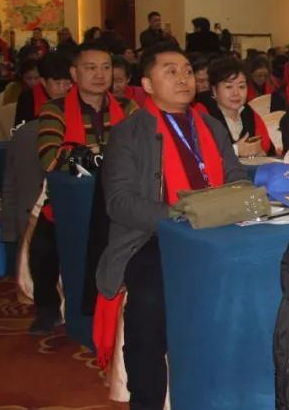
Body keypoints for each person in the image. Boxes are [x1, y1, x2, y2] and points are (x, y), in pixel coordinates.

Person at [96, 41, 246, 409]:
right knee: (150, 302)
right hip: (153, 237)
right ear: (147, 85)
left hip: (217, 230)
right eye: (170, 71)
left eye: (187, 71)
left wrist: (231, 202)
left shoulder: (209, 125)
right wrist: (181, 215)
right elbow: (120, 203)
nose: (183, 78)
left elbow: (236, 176)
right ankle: (146, 399)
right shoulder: (130, 133)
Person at [32, 43, 138, 333]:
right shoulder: (54, 109)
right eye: (90, 68)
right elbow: (50, 157)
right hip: (71, 198)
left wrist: (91, 154)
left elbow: (143, 151)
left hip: (119, 197)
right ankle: (47, 309)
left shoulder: (128, 108)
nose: (100, 75)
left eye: (106, 68)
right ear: (74, 73)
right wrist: (100, 155)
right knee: (42, 246)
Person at [203, 58, 275, 157]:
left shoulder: (249, 113)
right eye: (229, 87)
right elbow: (202, 155)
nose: (236, 93)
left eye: (241, 87)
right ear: (215, 90)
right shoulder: (204, 115)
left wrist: (261, 152)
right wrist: (235, 150)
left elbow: (269, 150)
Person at [14, 54, 73, 126]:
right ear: (43, 81)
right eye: (57, 83)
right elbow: (20, 129)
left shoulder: (75, 95)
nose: (62, 89)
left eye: (67, 83)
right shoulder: (28, 98)